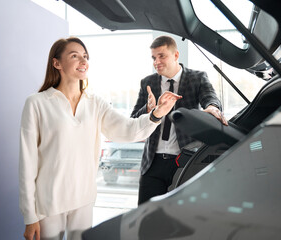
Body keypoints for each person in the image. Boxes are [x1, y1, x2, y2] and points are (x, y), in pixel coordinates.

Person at [19, 37, 182, 240]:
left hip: (84, 200)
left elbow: (128, 130)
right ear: (57, 63)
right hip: (48, 202)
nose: (83, 61)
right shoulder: (37, 103)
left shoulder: (95, 103)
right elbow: (27, 163)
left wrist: (156, 114)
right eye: (75, 56)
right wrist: (29, 215)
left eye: (85, 56)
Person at [131, 35, 228, 205]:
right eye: (154, 57)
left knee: (181, 216)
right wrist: (148, 109)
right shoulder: (148, 82)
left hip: (184, 161)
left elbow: (210, 97)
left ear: (176, 55)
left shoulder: (197, 78)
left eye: (162, 56)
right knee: (147, 218)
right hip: (152, 163)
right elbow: (134, 120)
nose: (156, 62)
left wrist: (213, 107)